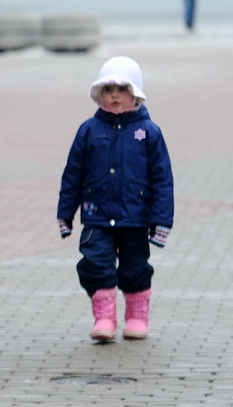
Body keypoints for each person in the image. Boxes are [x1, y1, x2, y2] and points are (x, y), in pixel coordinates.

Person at [56, 56, 174, 342]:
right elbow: (73, 174)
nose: (114, 96)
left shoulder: (149, 133)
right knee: (96, 264)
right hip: (97, 215)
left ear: (135, 94)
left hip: (135, 217)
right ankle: (105, 318)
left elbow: (163, 180)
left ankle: (136, 317)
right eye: (109, 91)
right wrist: (65, 213)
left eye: (122, 90)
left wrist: (161, 222)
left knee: (135, 268)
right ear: (100, 94)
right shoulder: (88, 131)